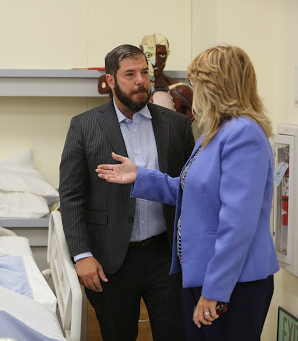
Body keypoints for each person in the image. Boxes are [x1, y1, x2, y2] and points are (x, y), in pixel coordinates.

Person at [96, 45, 280, 340]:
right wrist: (139, 176)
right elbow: (191, 190)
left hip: (233, 282)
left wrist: (215, 292)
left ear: (217, 86)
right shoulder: (216, 131)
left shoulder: (243, 134)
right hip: (204, 274)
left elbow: (238, 225)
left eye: (198, 84)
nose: (195, 93)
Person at [59, 44, 194, 340]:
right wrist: (82, 254)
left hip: (166, 255)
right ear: (110, 81)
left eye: (144, 73)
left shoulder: (177, 125)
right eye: (129, 74)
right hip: (111, 259)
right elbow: (71, 196)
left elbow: (190, 190)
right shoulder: (84, 127)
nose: (140, 81)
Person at [140, 33, 194, 120]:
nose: (155, 62)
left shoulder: (180, 90)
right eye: (148, 55)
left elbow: (189, 126)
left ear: (167, 54)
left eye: (161, 55)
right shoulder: (129, 89)